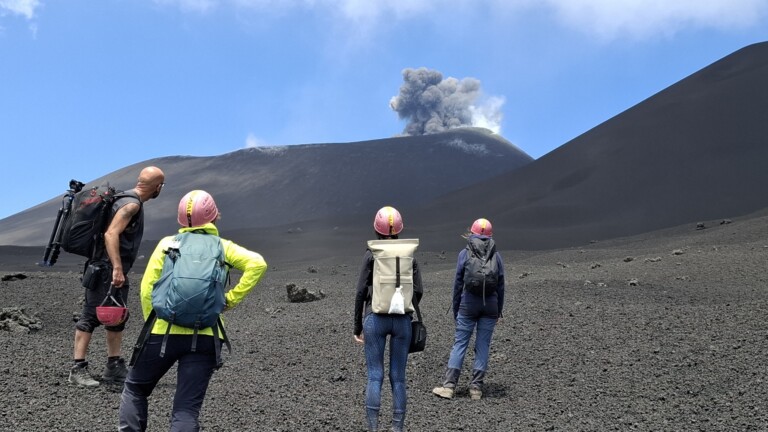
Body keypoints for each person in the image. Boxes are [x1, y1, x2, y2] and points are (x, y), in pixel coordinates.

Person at [118, 190, 268, 432]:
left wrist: (155, 322)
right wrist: (230, 300)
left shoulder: (167, 244)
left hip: (162, 332)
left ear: (180, 219)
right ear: (214, 216)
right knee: (186, 408)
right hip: (206, 335)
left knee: (135, 389)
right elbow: (257, 263)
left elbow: (147, 289)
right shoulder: (223, 247)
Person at [69, 166, 166, 387]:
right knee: (90, 317)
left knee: (116, 317)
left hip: (102, 267)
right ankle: (78, 369)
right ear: (157, 187)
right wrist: (117, 268)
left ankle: (113, 366)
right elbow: (111, 233)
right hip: (106, 269)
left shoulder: (122, 199)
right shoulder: (130, 204)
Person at [353, 206, 424, 432]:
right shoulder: (409, 256)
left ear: (376, 230)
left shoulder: (371, 253)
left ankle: (373, 428)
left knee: (375, 376)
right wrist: (403, 305)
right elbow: (419, 291)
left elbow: (360, 292)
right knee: (398, 378)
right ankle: (397, 428)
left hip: (375, 318)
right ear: (399, 230)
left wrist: (357, 326)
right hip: (402, 320)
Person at [432, 218, 505, 400]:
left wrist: (457, 309)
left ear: (471, 233)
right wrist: (498, 310)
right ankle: (476, 389)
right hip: (490, 306)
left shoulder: (464, 254)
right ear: (490, 235)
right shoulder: (497, 256)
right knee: (483, 346)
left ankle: (449, 387)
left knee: (460, 343)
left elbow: (458, 284)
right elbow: (501, 285)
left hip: (468, 304)